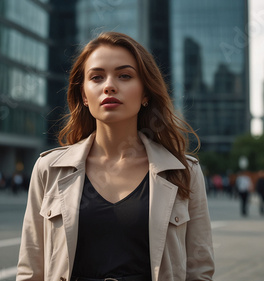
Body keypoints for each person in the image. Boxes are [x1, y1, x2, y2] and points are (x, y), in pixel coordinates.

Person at [16, 32, 215, 281]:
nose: (109, 85)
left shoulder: (184, 172)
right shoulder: (49, 169)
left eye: (125, 76)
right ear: (83, 96)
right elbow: (31, 269)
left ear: (145, 93)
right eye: (97, 77)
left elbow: (199, 271)